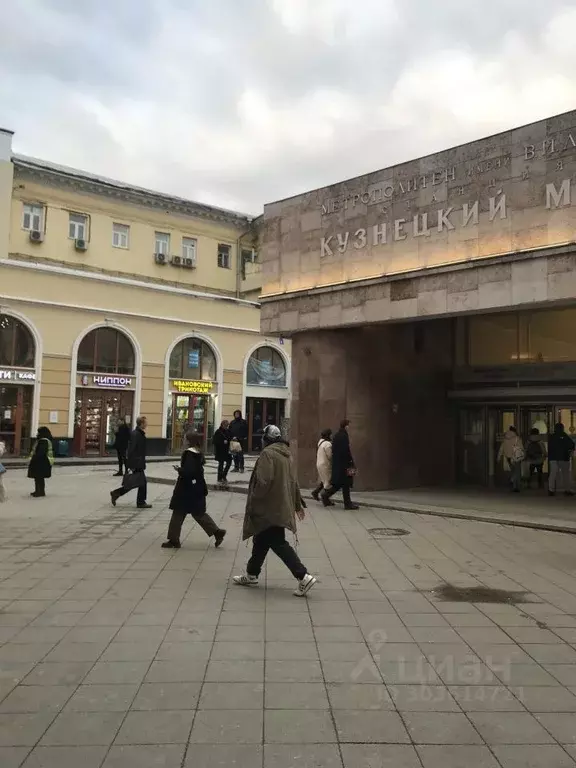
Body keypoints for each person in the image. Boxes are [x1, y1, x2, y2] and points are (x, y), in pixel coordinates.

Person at [233, 424, 317, 597]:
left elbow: (263, 482)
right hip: (279, 505)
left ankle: (303, 576)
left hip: (269, 507)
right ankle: (251, 574)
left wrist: (254, 503)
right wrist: (296, 504)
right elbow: (293, 481)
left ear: (267, 438)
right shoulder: (285, 454)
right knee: (261, 540)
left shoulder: (268, 454)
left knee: (277, 543)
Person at [162, 431, 226, 549]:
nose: (183, 440)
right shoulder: (197, 452)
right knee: (198, 513)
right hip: (196, 488)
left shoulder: (189, 454)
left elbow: (190, 472)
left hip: (187, 489)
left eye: (185, 438)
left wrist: (180, 470)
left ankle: (173, 540)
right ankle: (217, 532)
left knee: (178, 512)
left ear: (189, 441)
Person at [110, 416, 152, 509]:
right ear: (141, 424)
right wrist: (130, 464)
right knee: (139, 482)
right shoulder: (136, 434)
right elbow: (131, 450)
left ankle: (116, 493)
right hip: (137, 462)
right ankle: (140, 502)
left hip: (139, 462)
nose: (147, 424)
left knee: (137, 482)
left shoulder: (139, 434)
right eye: (145, 422)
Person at [321, 419, 359, 510]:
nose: (349, 428)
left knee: (339, 484)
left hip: (339, 465)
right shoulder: (343, 436)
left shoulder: (337, 435)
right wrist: (350, 463)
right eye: (349, 425)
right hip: (344, 465)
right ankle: (347, 504)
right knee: (344, 484)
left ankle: (326, 495)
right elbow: (345, 451)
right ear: (346, 426)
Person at [548, 422, 575, 497]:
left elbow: (550, 448)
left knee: (553, 474)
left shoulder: (552, 437)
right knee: (566, 474)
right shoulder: (565, 436)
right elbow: (572, 445)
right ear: (562, 428)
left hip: (553, 458)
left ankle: (551, 490)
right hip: (564, 458)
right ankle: (567, 490)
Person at [28, 426, 54, 498]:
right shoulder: (44, 440)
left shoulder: (44, 441)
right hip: (43, 461)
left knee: (39, 477)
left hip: (42, 462)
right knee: (38, 477)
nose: (37, 434)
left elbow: (41, 452)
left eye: (39, 432)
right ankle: (38, 491)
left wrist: (34, 458)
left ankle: (40, 492)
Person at [497, 426, 524, 492]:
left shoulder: (505, 438)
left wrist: (498, 457)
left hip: (508, 457)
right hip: (515, 457)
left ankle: (514, 487)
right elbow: (521, 448)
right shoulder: (517, 438)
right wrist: (523, 454)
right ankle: (513, 482)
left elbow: (501, 448)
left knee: (513, 471)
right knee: (517, 472)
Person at [312, 428, 333, 503]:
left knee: (323, 480)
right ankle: (326, 500)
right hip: (325, 465)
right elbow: (330, 456)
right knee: (327, 481)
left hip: (319, 463)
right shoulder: (327, 444)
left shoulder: (320, 442)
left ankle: (315, 492)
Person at [213, 419, 232, 484]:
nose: (226, 427)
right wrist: (222, 442)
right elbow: (214, 441)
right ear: (222, 425)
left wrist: (231, 439)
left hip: (227, 451)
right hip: (220, 451)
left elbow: (230, 438)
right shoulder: (218, 432)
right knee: (221, 464)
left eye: (227, 425)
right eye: (225, 425)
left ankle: (224, 475)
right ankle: (219, 477)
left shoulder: (228, 431)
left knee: (229, 463)